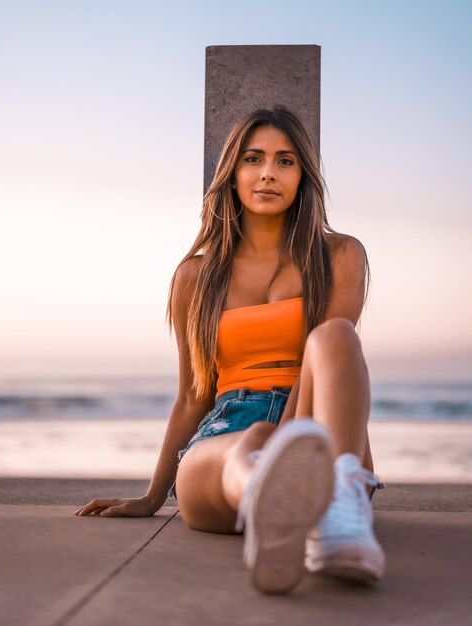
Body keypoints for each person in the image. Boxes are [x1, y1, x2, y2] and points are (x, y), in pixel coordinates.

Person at [74, 106, 385, 594]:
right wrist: (152, 496)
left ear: (303, 176)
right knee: (249, 444)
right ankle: (275, 498)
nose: (267, 173)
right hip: (227, 430)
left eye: (285, 161)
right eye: (252, 158)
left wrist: (288, 437)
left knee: (336, 337)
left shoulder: (339, 254)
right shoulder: (195, 277)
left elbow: (323, 365)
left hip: (321, 427)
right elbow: (191, 396)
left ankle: (337, 502)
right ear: (231, 174)